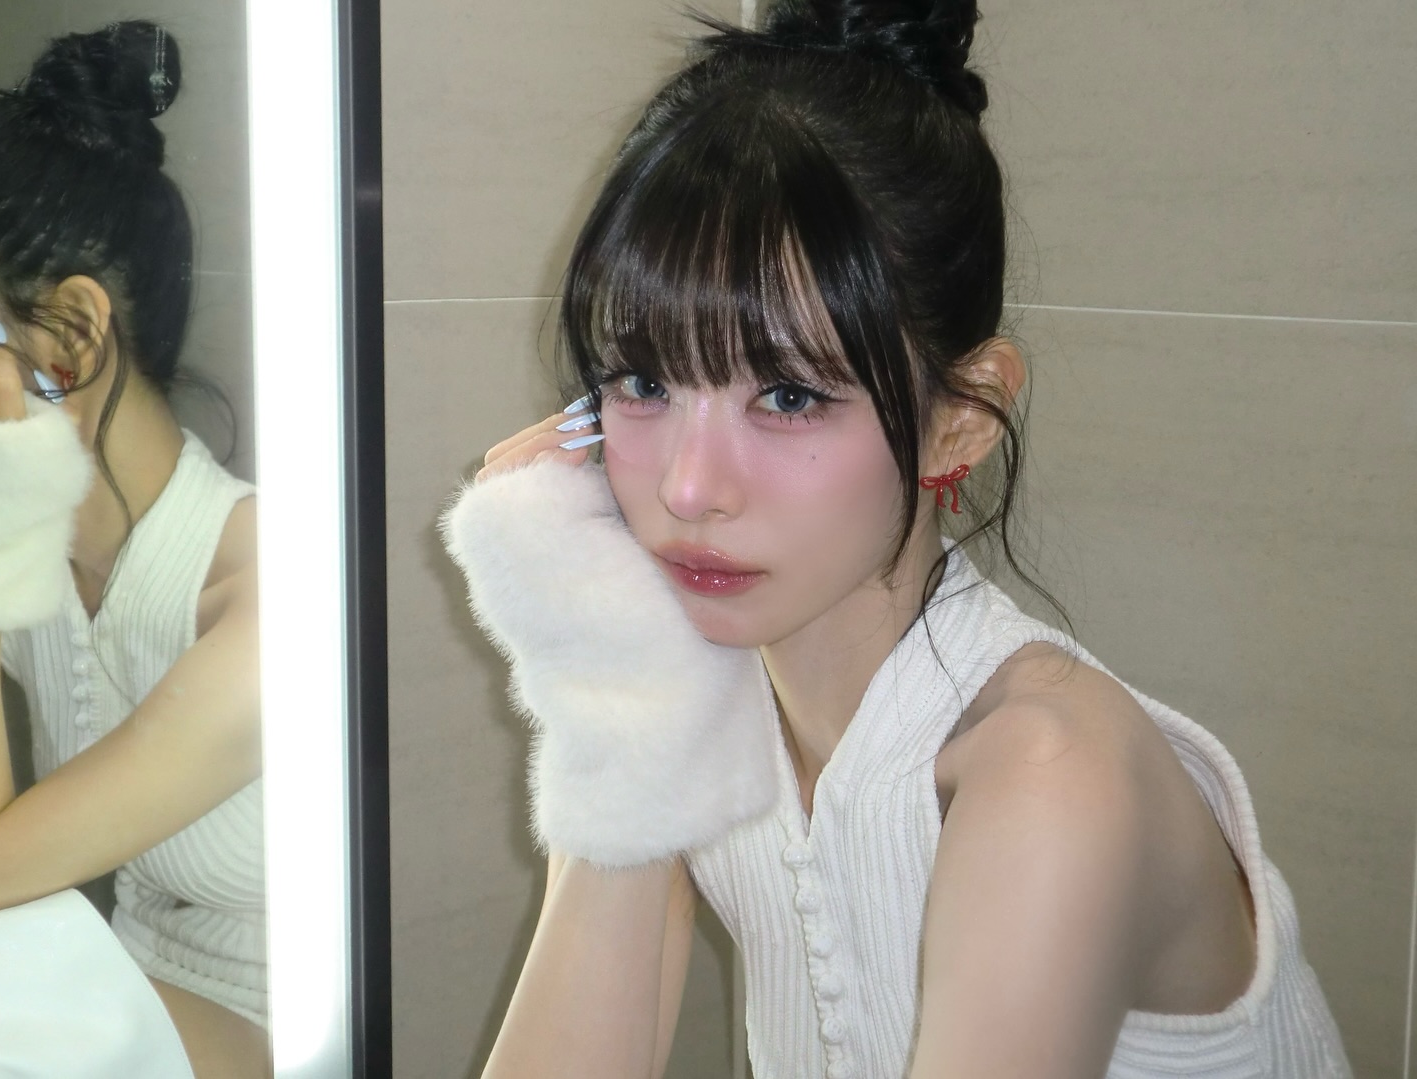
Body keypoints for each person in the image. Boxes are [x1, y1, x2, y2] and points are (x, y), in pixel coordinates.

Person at [443, 1, 1355, 1077]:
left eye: (787, 395)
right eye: (644, 381)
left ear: (960, 417)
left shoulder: (1045, 774)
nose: (689, 487)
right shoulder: (718, 690)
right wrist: (612, 680)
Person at [0, 22, 269, 1078]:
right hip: (115, 996)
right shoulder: (37, 555)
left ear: (71, 334)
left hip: (282, 1025)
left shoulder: (269, 593)